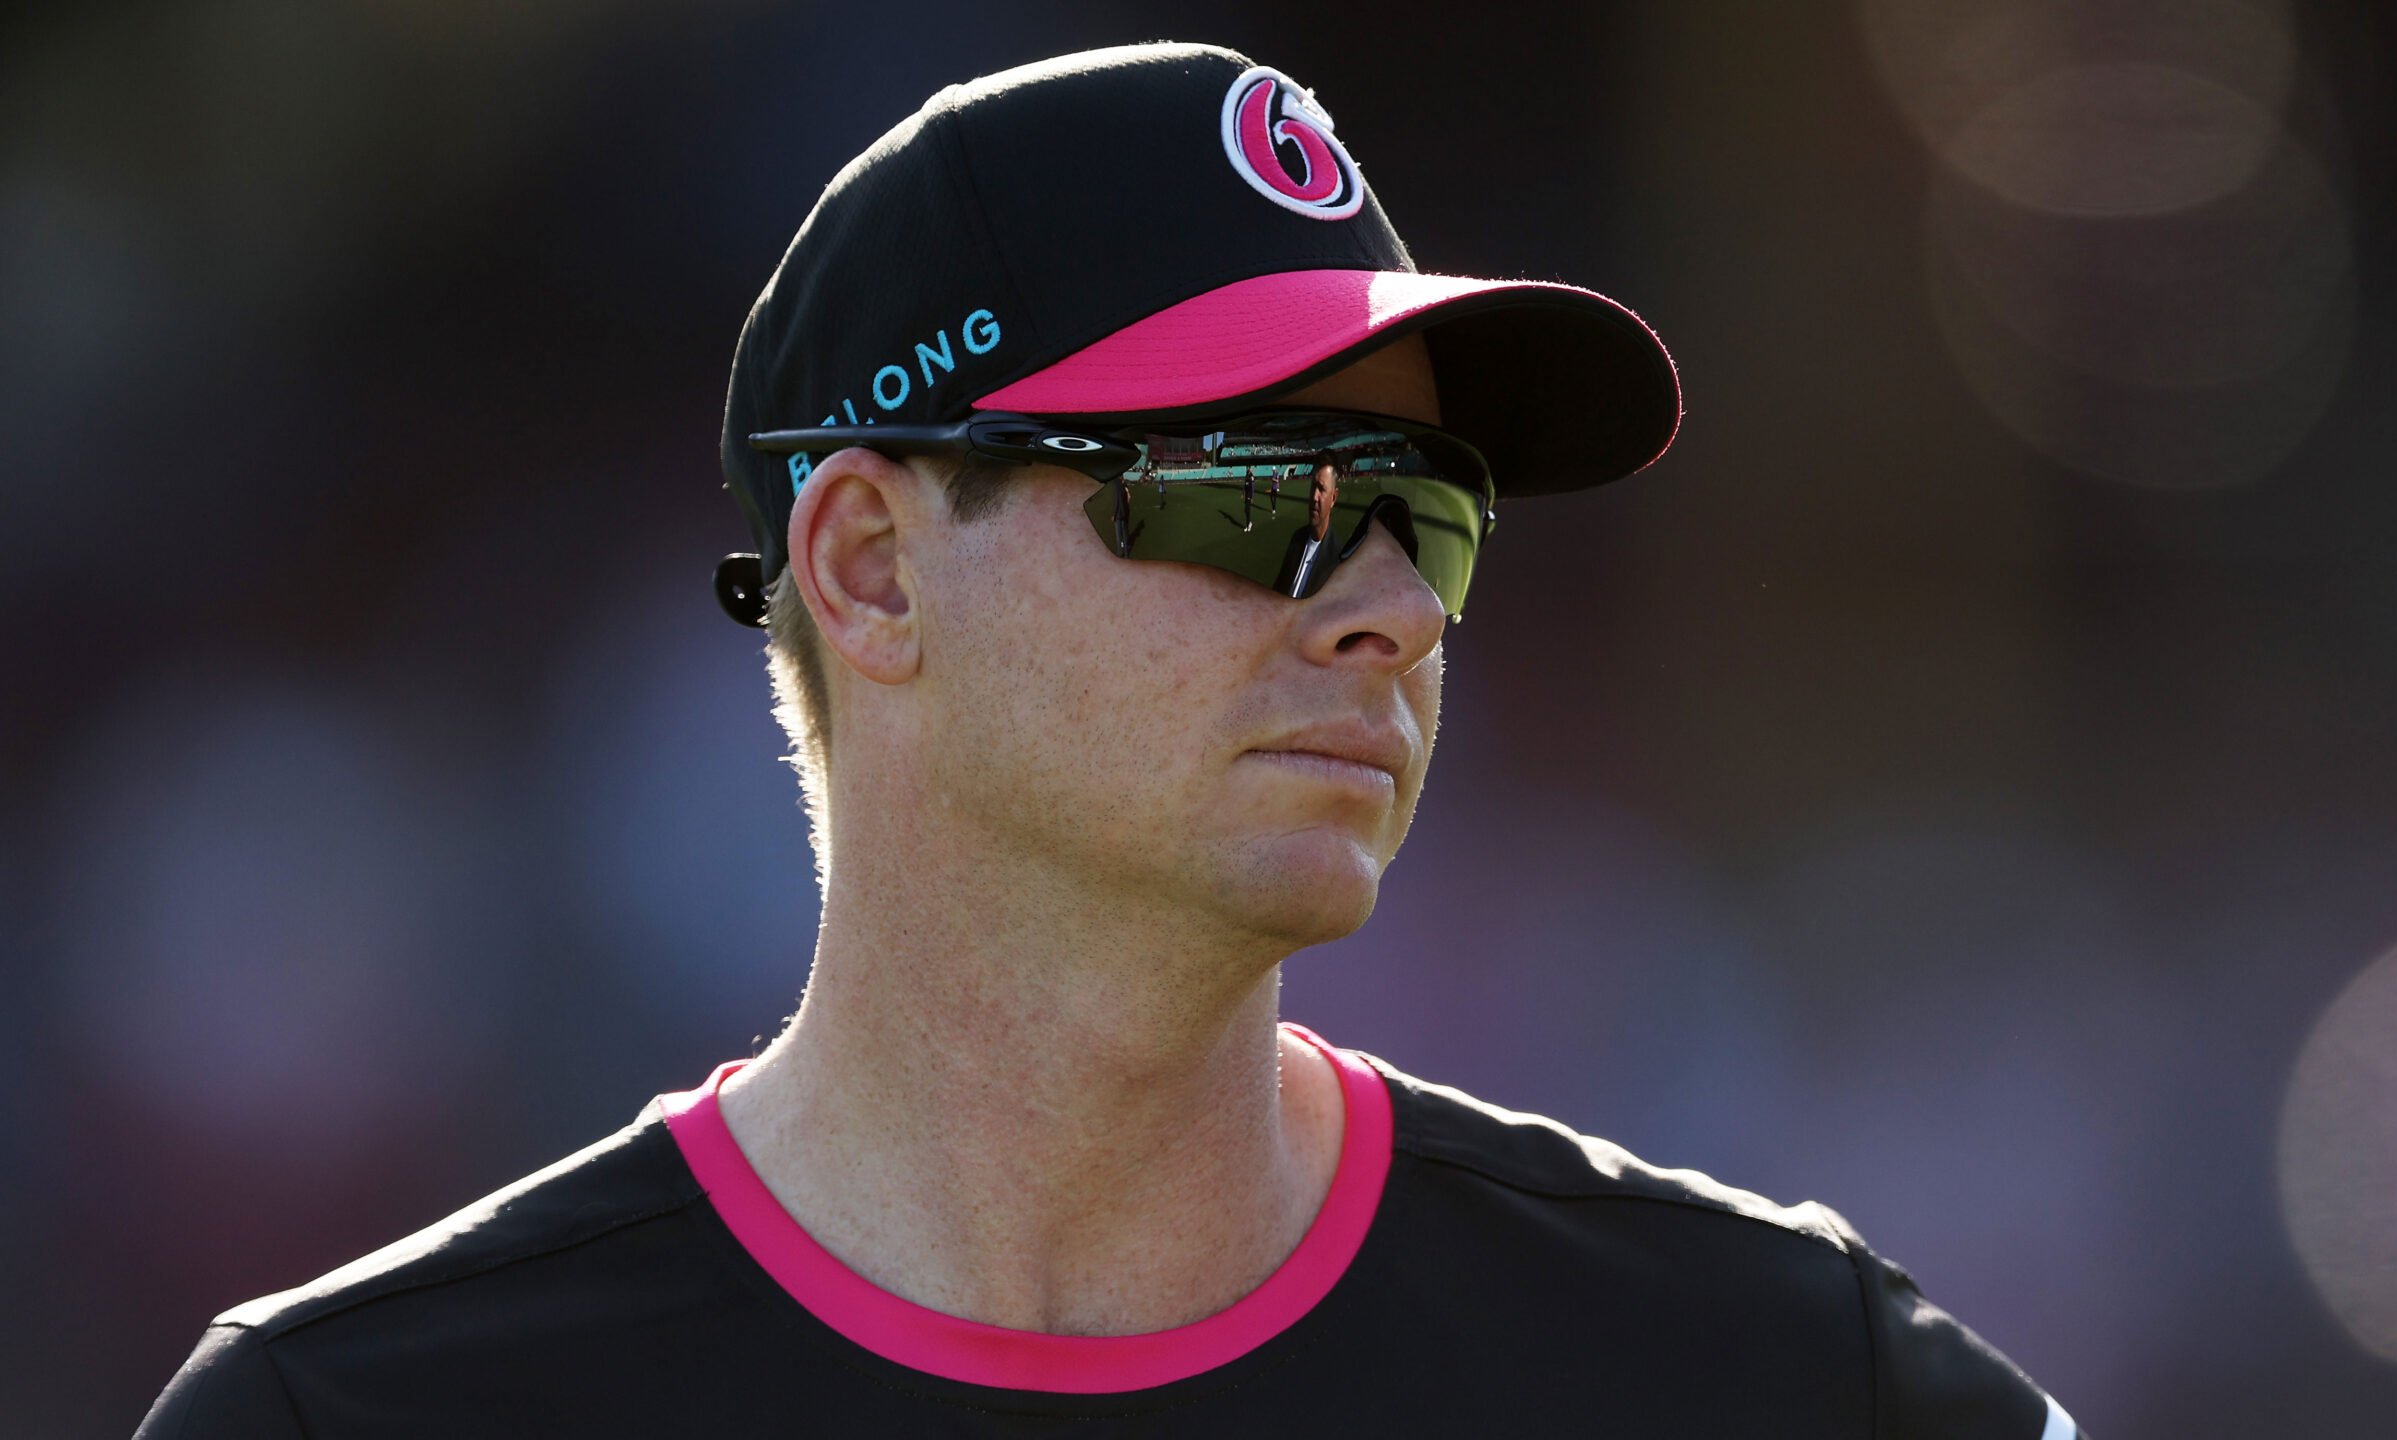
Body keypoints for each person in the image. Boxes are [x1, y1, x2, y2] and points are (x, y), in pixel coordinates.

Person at [139, 43, 2082, 1438]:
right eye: (1255, 491)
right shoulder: (354, 1412)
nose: (1391, 609)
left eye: (1427, 516)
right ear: (872, 570)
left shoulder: (1773, 1377)